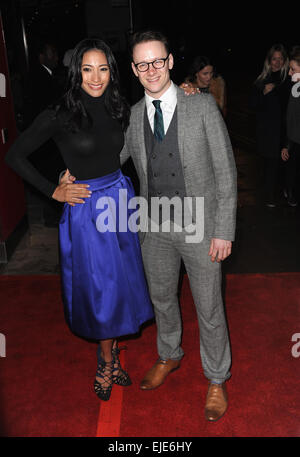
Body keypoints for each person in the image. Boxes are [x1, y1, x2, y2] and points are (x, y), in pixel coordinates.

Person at [5, 38, 154, 402]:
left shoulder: (120, 106)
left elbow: (151, 111)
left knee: (121, 283)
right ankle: (106, 360)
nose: (96, 77)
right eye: (87, 69)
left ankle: (113, 352)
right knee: (101, 288)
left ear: (112, 72)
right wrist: (51, 189)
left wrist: (188, 90)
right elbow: (15, 155)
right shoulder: (59, 113)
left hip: (119, 199)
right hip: (87, 208)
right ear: (76, 72)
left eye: (103, 68)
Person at [120, 30, 237, 422]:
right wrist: (71, 171)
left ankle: (217, 377)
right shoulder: (134, 115)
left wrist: (224, 229)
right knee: (162, 299)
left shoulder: (201, 106)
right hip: (154, 228)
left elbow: (225, 172)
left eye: (157, 61)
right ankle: (169, 354)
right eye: (142, 63)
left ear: (170, 61)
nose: (151, 69)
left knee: (209, 307)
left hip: (202, 227)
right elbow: (109, 158)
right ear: (134, 70)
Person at [249, 44, 291, 208]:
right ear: (269, 60)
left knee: (285, 163)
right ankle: (269, 195)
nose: (277, 62)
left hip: (285, 129)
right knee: (270, 163)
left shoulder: (288, 79)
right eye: (275, 58)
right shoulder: (262, 80)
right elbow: (253, 105)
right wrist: (264, 94)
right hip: (267, 131)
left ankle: (285, 191)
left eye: (281, 58)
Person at [281, 46, 300, 206]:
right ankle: (290, 192)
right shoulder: (295, 89)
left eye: (293, 70)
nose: (289, 73)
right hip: (296, 141)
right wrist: (287, 145)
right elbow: (290, 118)